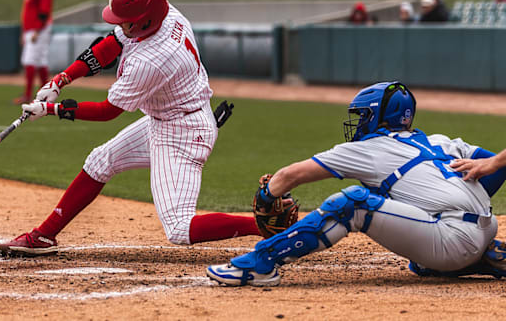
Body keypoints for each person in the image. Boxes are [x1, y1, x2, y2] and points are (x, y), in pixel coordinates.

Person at [0, 0, 262, 257]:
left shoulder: (152, 60)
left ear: (145, 21)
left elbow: (107, 111)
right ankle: (44, 236)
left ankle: (264, 227)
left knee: (180, 228)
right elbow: (110, 45)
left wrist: (53, 110)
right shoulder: (166, 13)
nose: (117, 24)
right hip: (168, 118)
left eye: (124, 20)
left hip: (183, 133)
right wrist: (61, 80)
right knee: (100, 160)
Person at [206, 81, 505, 286]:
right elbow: (497, 168)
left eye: (362, 115)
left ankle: (261, 263)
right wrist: (466, 200)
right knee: (420, 261)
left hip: (452, 241)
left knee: (354, 203)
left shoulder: (367, 150)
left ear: (375, 116)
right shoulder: (440, 141)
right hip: (481, 228)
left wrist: (267, 195)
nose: (358, 123)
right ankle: (482, 259)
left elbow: (290, 176)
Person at [12, 0, 53, 105]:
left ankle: (28, 95)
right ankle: (46, 94)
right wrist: (25, 32)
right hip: (31, 29)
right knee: (40, 60)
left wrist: (37, 29)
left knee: (30, 60)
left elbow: (44, 11)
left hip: (38, 29)